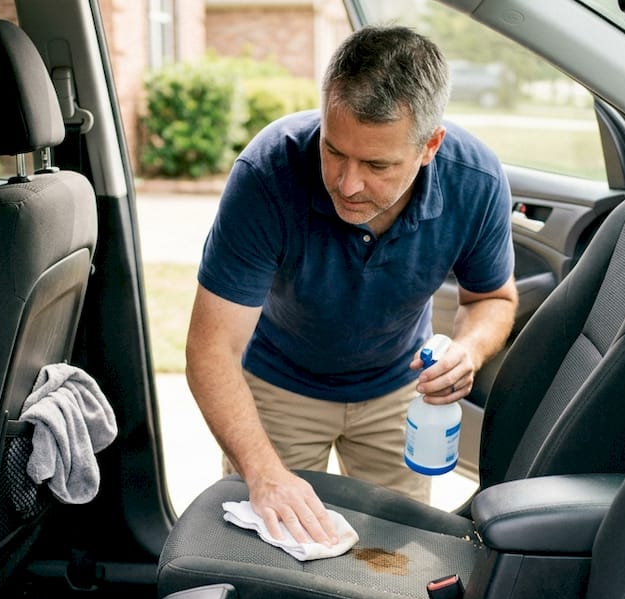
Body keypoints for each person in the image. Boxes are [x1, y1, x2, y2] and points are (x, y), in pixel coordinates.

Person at [185, 25, 519, 546]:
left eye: (377, 164)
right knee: (271, 548)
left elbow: (492, 298)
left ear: (430, 146)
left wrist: (468, 351)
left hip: (399, 391)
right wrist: (263, 473)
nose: (348, 183)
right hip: (277, 389)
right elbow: (211, 348)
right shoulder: (268, 172)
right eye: (335, 150)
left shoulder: (476, 181)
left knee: (394, 555)